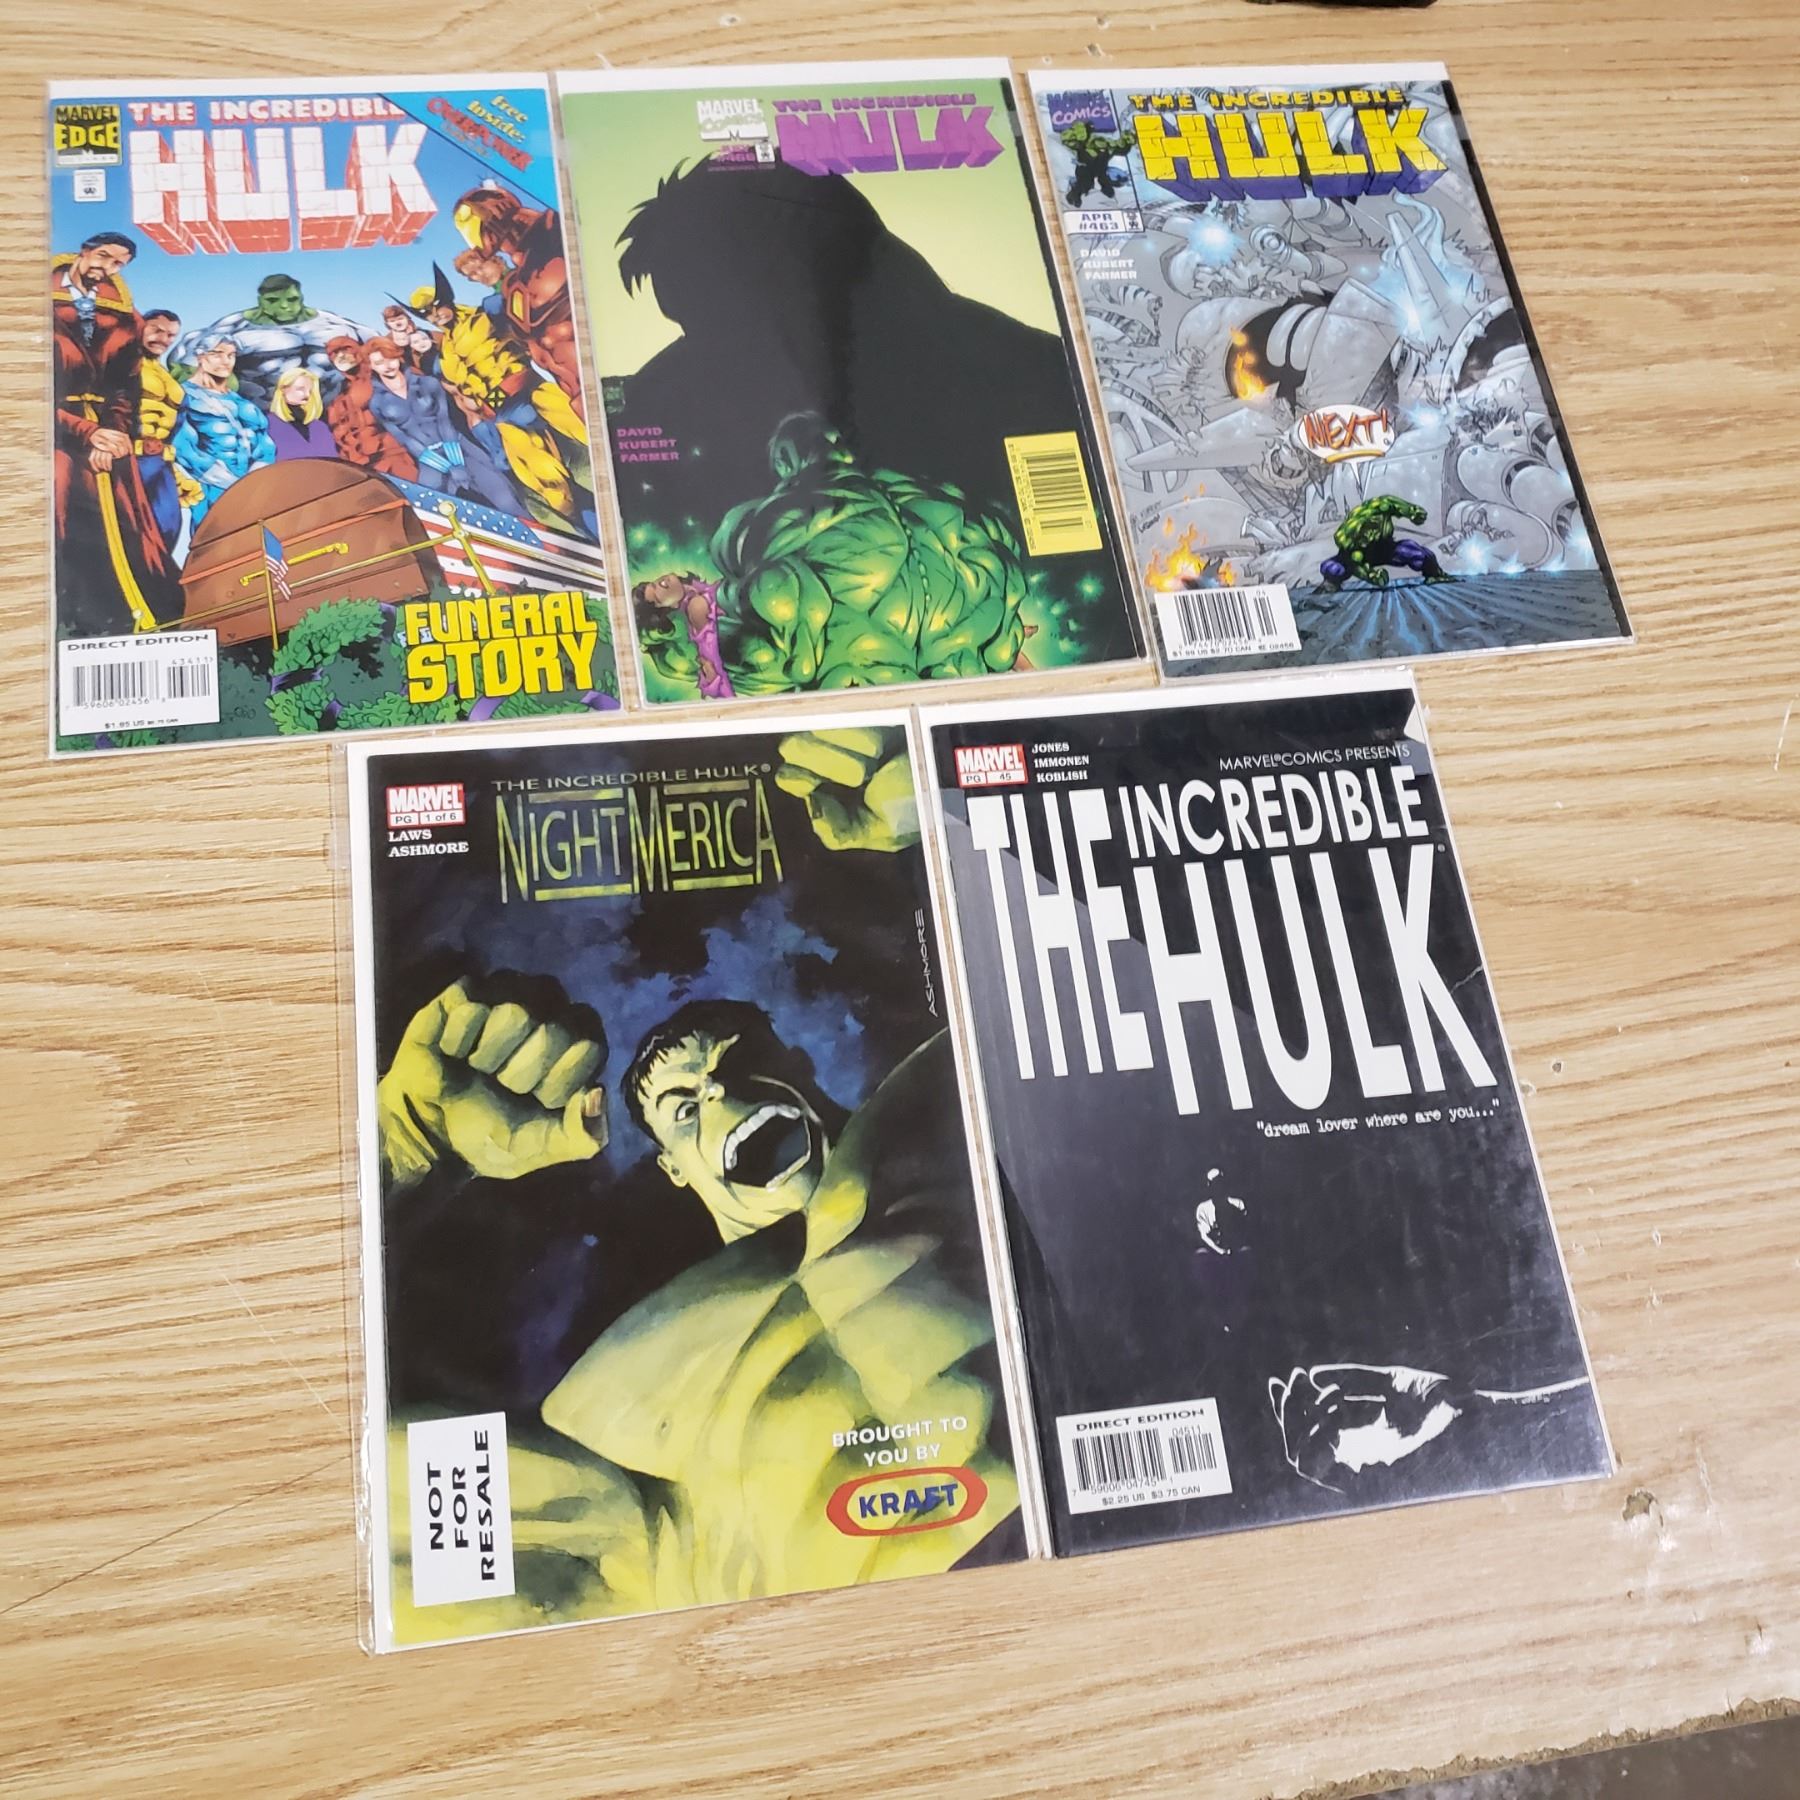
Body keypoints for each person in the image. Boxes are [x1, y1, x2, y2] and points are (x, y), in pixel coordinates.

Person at [51, 229, 181, 632]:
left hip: (105, 437)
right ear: (84, 250)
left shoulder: (125, 317)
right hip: (53, 436)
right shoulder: (33, 301)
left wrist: (113, 435)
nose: (106, 268)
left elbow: (125, 387)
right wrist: (85, 432)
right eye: (103, 257)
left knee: (128, 527)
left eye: (118, 264)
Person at [364, 335, 522, 514]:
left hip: (457, 446)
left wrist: (457, 463)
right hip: (428, 458)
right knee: (429, 506)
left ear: (398, 356)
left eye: (390, 359)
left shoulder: (428, 383)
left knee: (503, 497)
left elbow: (445, 421)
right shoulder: (377, 402)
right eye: (379, 363)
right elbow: (405, 440)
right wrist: (445, 467)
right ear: (371, 366)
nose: (387, 366)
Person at [171, 335, 275, 522]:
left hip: (254, 491)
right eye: (217, 354)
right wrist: (233, 485)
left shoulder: (241, 401)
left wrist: (255, 482)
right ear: (200, 356)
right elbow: (185, 449)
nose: (225, 361)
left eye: (231, 355)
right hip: (212, 491)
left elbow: (265, 445)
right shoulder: (182, 395)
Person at [323, 338, 417, 480]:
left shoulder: (382, 375)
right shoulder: (339, 394)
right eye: (334, 354)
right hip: (363, 465)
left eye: (346, 349)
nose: (341, 356)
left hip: (397, 456)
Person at [632, 570, 734, 698]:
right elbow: (711, 656)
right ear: (670, 606)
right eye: (658, 597)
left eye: (654, 585)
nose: (661, 584)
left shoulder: (695, 588)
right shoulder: (696, 607)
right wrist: (714, 680)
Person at [267, 365, 340, 461]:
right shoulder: (269, 425)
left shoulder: (320, 427)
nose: (307, 394)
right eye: (300, 389)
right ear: (283, 389)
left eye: (310, 390)